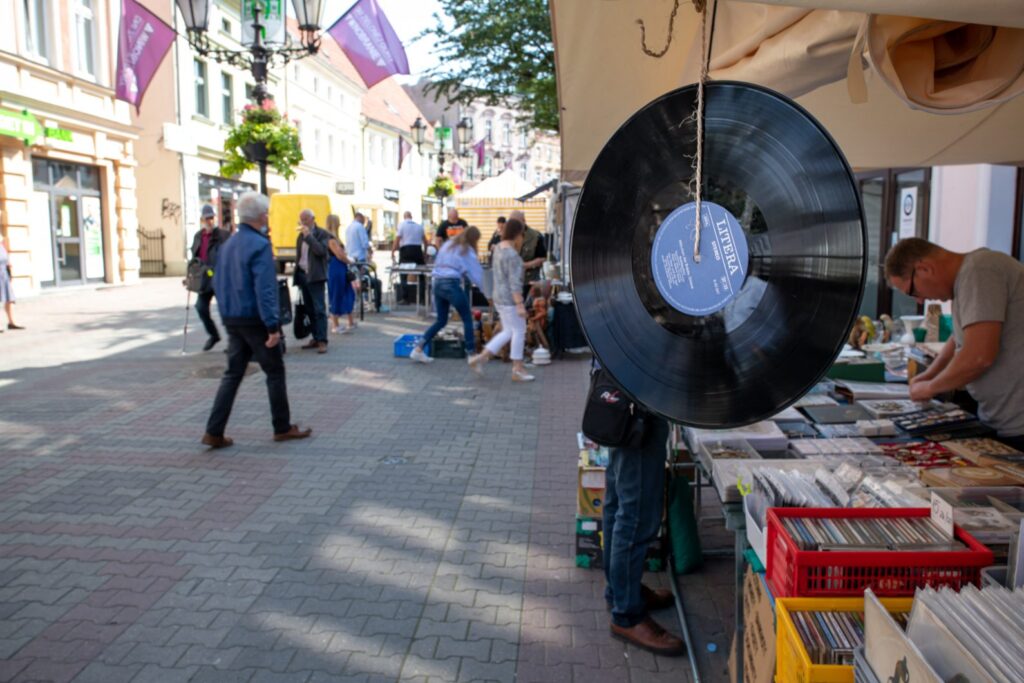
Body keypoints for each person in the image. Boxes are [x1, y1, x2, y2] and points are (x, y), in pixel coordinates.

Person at [885, 237, 1024, 448]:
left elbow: (979, 356)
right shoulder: (966, 280)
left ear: (924, 269)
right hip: (1000, 417)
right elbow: (959, 339)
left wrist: (931, 387)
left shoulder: (980, 271)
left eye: (913, 291)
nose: (920, 300)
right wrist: (929, 374)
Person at [202, 192, 311, 448]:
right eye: (267, 214)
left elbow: (218, 281)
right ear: (262, 216)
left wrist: (228, 312)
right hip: (254, 319)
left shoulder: (229, 244)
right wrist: (272, 326)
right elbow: (265, 289)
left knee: (233, 374)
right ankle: (281, 426)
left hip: (233, 317)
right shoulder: (260, 245)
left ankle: (214, 430)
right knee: (274, 371)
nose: (267, 218)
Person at [602, 412, 683, 655]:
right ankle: (627, 615)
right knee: (634, 515)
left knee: (619, 503)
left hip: (627, 409)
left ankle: (621, 593)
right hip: (638, 412)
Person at [468, 218, 534, 382]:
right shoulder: (513, 256)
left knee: (508, 331)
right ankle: (517, 368)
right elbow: (514, 283)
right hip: (510, 300)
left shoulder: (497, 248)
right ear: (518, 234)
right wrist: (520, 304)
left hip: (498, 296)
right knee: (519, 331)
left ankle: (480, 358)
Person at [409, 226, 485, 365]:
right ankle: (471, 354)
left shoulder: (448, 244)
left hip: (437, 283)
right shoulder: (467, 249)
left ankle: (418, 349)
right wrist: (487, 292)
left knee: (441, 320)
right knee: (467, 318)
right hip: (451, 283)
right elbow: (476, 274)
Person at [189, 204, 229, 351]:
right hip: (204, 279)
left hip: (219, 278)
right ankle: (213, 335)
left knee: (225, 310)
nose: (210, 221)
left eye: (212, 218)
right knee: (200, 308)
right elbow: (194, 258)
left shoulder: (223, 235)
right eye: (207, 218)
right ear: (202, 220)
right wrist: (191, 276)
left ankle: (233, 341)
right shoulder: (198, 236)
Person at [294, 209, 332, 354]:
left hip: (316, 277)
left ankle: (323, 340)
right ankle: (315, 337)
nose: (303, 222)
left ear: (313, 219)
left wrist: (308, 236)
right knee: (309, 309)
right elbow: (300, 256)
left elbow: (321, 251)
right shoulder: (300, 236)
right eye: (301, 219)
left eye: (306, 219)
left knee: (319, 309)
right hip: (304, 275)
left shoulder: (321, 233)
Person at [325, 214, 357, 334]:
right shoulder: (331, 239)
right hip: (336, 268)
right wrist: (350, 260)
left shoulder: (332, 238)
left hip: (338, 268)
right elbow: (340, 255)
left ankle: (349, 322)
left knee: (346, 292)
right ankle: (335, 324)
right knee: (337, 294)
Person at [346, 213, 382, 312]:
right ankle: (367, 302)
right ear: (361, 219)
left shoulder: (349, 227)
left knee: (355, 280)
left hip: (350, 259)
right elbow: (365, 243)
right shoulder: (360, 227)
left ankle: (358, 301)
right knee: (365, 280)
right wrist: (370, 251)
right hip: (360, 259)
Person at [392, 211, 427, 305]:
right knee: (421, 274)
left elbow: (397, 239)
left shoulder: (402, 225)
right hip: (417, 250)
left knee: (403, 274)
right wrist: (425, 252)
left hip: (406, 250)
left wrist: (393, 251)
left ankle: (405, 298)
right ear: (411, 217)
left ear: (404, 217)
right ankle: (422, 299)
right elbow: (425, 241)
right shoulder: (419, 226)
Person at [509, 209, 547, 297]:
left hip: (529, 283)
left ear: (523, 221)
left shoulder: (535, 236)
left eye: (515, 222)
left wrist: (525, 265)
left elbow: (543, 258)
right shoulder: (508, 236)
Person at [0, 236, 24, 332]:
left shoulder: (1, 244)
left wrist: (9, 269)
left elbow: (6, 258)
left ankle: (11, 322)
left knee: (9, 299)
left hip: (4, 273)